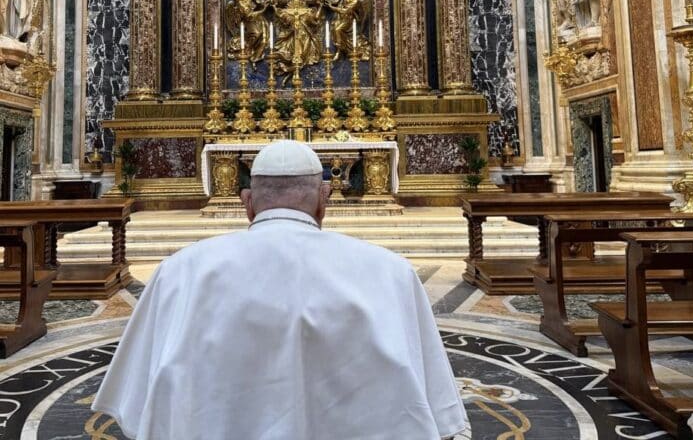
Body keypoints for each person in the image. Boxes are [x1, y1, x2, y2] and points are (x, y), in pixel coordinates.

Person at [92, 140, 467, 440]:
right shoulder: (392, 273)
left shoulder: (179, 273)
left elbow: (138, 404)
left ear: (247, 202)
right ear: (324, 199)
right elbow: (435, 408)